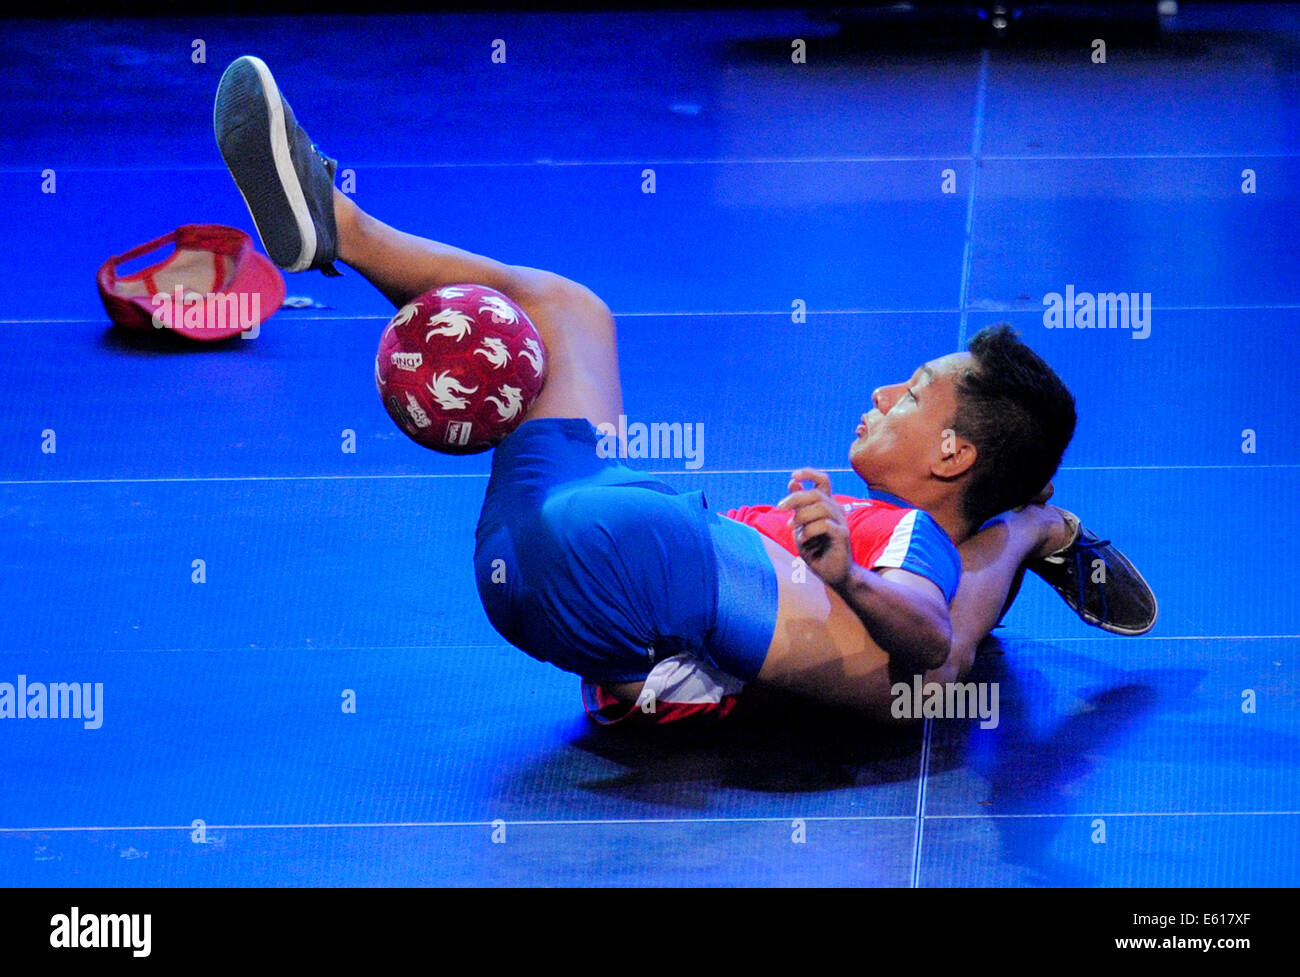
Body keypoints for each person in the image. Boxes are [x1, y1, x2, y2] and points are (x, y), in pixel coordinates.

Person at [213, 56, 1157, 727]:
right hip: (550, 545)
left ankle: (1041, 527)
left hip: (616, 556)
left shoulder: (903, 547)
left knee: (928, 654)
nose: (881, 390)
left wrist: (926, 558)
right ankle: (334, 222)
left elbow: (936, 650)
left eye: (913, 394)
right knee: (570, 311)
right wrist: (1035, 531)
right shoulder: (861, 556)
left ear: (954, 456)